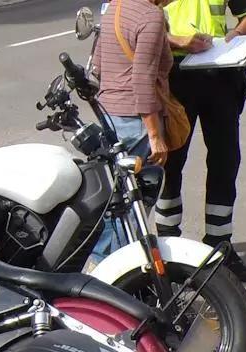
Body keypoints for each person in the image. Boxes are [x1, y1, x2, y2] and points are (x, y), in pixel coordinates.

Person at [156, 0, 246, 282]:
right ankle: (166, 248)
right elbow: (133, 23)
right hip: (175, 73)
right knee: (171, 162)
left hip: (220, 72)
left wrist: (236, 36)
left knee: (225, 160)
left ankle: (219, 245)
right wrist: (179, 41)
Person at [90, 0, 175, 258]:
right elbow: (142, 81)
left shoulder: (115, 7)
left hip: (110, 116)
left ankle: (99, 262)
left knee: (113, 198)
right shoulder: (150, 16)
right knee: (135, 199)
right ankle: (122, 269)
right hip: (136, 122)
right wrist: (155, 135)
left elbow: (98, 64)